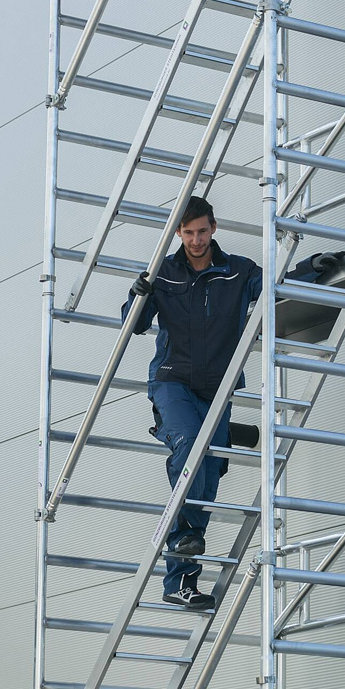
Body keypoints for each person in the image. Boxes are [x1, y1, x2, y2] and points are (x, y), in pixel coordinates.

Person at [126, 196, 262, 611]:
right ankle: (182, 549)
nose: (196, 240)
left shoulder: (237, 271)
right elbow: (133, 325)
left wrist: (316, 270)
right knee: (188, 444)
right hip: (173, 381)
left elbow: (277, 286)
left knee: (207, 475)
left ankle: (178, 582)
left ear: (213, 227)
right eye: (188, 233)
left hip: (218, 387)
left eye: (202, 231)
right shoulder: (164, 273)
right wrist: (138, 295)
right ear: (178, 233)